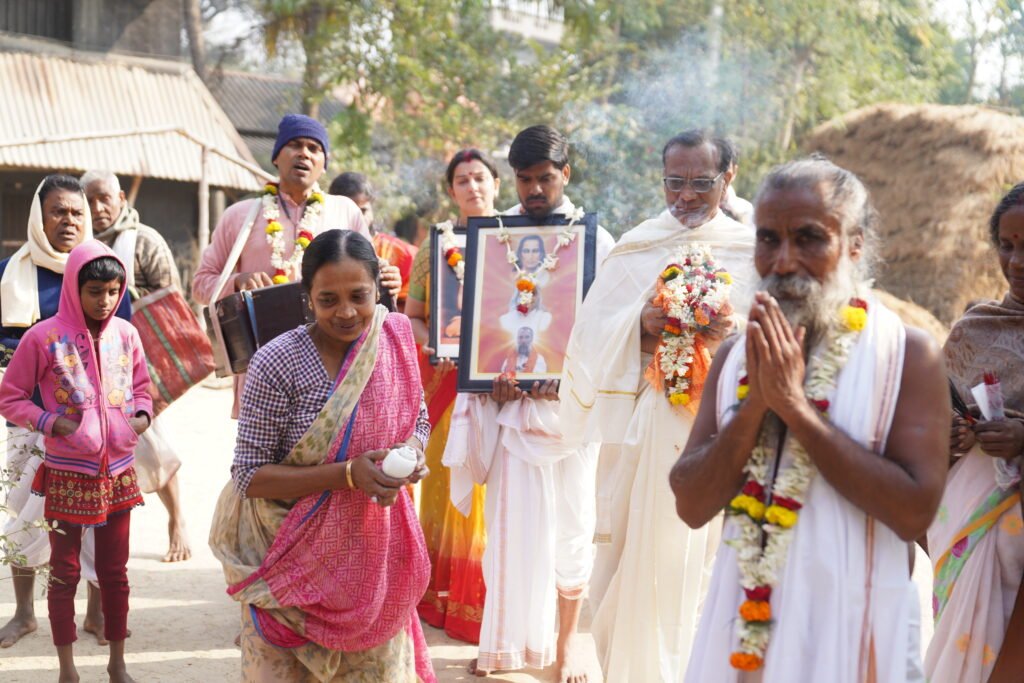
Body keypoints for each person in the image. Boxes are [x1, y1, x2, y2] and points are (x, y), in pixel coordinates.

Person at [673, 157, 948, 681]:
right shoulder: (736, 356)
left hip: (850, 634)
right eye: (768, 239)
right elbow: (690, 503)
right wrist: (757, 403)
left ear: (855, 245)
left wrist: (796, 409)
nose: (782, 261)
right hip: (742, 631)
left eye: (809, 239)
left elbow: (914, 514)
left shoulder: (907, 355)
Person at [559, 130, 757, 682]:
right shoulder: (637, 245)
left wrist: (729, 329)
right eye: (675, 182)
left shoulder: (752, 249)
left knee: (707, 569)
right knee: (622, 562)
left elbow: (777, 336)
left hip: (724, 428)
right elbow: (589, 336)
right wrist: (639, 325)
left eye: (700, 183)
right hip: (643, 428)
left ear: (729, 178)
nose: (686, 196)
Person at [208, 229, 435, 682]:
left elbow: (419, 421)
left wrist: (410, 453)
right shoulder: (279, 361)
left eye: (359, 296)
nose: (346, 312)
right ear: (307, 296)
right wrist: (349, 475)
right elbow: (250, 475)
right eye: (328, 299)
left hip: (370, 558)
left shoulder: (391, 341)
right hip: (286, 557)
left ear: (379, 290)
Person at [444, 125, 615, 682]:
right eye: (525, 179)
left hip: (569, 415)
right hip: (511, 411)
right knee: (508, 536)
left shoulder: (597, 243)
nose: (535, 188)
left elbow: (609, 332)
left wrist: (567, 379)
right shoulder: (493, 243)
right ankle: (504, 643)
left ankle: (565, 648)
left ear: (566, 174)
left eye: (546, 177)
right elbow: (484, 325)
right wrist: (488, 374)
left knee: (571, 531)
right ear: (513, 179)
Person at [0, 241, 153, 683]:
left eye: (112, 290)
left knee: (114, 574)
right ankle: (67, 670)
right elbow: (9, 397)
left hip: (119, 471)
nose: (104, 300)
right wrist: (50, 422)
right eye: (93, 290)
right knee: (64, 572)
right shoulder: (43, 337)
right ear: (74, 287)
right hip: (67, 474)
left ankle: (117, 664)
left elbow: (142, 387)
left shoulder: (127, 333)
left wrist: (141, 416)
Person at [191, 114, 400, 417]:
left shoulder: (344, 211)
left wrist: (388, 279)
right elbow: (201, 285)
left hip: (333, 363)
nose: (304, 153)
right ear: (277, 156)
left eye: (314, 148)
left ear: (323, 164)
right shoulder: (240, 215)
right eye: (295, 145)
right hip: (262, 367)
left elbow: (370, 278)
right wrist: (237, 281)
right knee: (262, 459)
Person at [925, 183, 1024, 683]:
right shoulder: (973, 330)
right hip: (967, 517)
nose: (1017, 261)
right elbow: (931, 424)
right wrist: (948, 440)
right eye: (1007, 246)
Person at [407, 148, 499, 644]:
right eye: (461, 180)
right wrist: (431, 343)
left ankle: (487, 596)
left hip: (503, 386)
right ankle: (440, 595)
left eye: (480, 178)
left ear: (496, 184)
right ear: (451, 191)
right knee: (445, 484)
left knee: (491, 489)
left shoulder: (517, 241)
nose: (472, 187)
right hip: (449, 380)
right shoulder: (436, 245)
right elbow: (418, 313)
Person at [81, 169, 190, 563]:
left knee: (151, 441)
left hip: (136, 366)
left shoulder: (143, 241)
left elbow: (171, 305)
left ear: (122, 198)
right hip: (86, 368)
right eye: (88, 200)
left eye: (104, 198)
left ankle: (177, 519)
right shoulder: (78, 243)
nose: (97, 208)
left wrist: (121, 298)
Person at [329, 171, 418, 310]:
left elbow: (412, 314)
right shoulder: (322, 251)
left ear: (372, 209)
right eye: (350, 212)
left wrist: (392, 290)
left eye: (363, 211)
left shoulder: (403, 253)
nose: (358, 219)